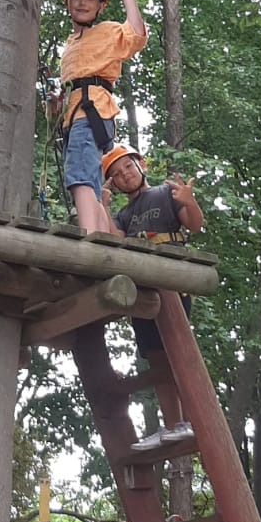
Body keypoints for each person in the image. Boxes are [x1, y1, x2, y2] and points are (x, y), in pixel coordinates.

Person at [102, 145, 205, 453]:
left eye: (128, 168)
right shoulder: (123, 214)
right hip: (142, 288)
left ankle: (190, 420)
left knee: (176, 353)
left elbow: (194, 225)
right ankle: (174, 424)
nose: (125, 176)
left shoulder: (164, 193)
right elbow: (115, 239)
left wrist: (190, 202)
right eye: (117, 176)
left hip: (171, 282)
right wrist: (103, 206)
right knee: (156, 358)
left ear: (140, 165)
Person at [52, 0, 147, 233]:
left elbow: (137, 36)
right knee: (89, 178)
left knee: (80, 176)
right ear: (67, 2)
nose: (82, 3)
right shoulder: (71, 43)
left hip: (91, 112)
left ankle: (89, 236)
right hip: (73, 116)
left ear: (100, 6)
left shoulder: (107, 31)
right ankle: (101, 234)